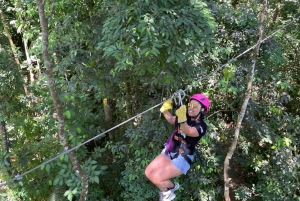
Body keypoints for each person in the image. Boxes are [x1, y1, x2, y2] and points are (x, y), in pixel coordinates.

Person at [145, 94, 210, 201]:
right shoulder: (185, 117)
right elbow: (171, 119)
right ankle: (171, 187)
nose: (190, 107)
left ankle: (167, 193)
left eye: (195, 106)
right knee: (148, 172)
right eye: (190, 105)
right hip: (170, 150)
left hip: (182, 158)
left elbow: (188, 131)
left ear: (202, 109)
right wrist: (165, 110)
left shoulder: (201, 126)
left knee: (156, 177)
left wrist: (182, 119)